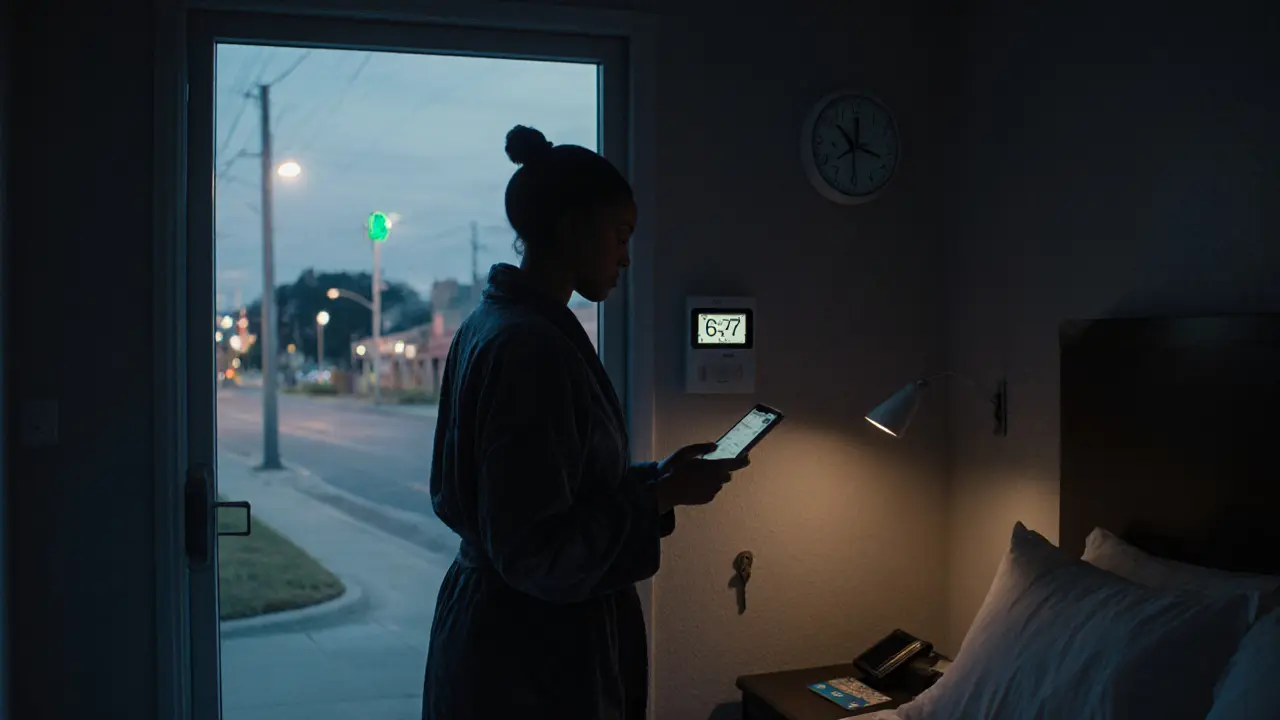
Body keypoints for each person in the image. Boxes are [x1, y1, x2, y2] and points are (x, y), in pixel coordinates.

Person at [421, 125, 749, 719]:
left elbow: (555, 495)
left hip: (502, 638)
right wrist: (659, 497)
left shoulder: (497, 324)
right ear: (573, 227)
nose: (626, 256)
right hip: (530, 664)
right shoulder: (529, 347)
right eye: (620, 235)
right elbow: (535, 549)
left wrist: (654, 481)